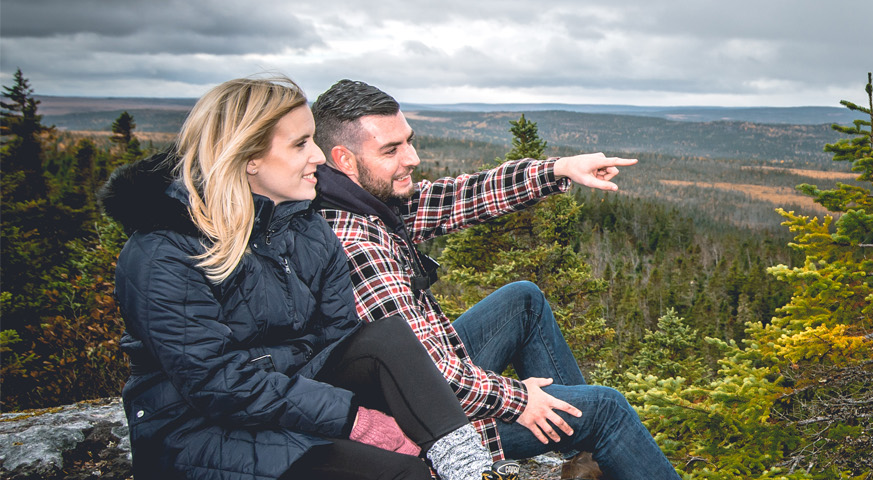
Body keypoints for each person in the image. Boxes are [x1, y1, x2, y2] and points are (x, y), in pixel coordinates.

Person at [103, 75, 518, 480]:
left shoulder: (307, 229)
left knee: (385, 339)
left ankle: (471, 469)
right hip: (199, 431)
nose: (319, 157)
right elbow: (218, 384)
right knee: (403, 472)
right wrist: (354, 420)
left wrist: (394, 413)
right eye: (301, 144)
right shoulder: (164, 252)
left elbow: (340, 342)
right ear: (249, 157)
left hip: (292, 398)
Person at [308, 79, 676, 479]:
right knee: (605, 408)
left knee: (523, 301)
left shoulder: (365, 204)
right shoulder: (356, 245)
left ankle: (577, 442)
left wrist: (557, 169)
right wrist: (520, 400)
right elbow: (435, 379)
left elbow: (459, 197)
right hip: (422, 429)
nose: (412, 158)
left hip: (418, 386)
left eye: (409, 141)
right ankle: (585, 428)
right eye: (391, 150)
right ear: (344, 160)